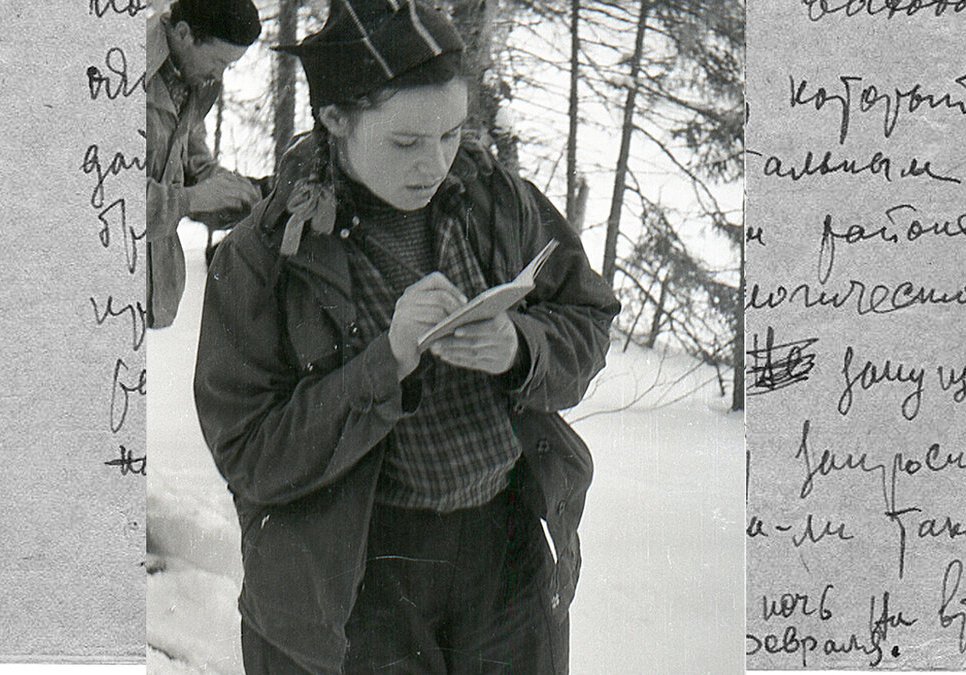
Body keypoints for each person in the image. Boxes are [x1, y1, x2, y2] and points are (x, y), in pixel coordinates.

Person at [193, 1, 620, 672]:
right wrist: (385, 362)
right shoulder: (261, 260)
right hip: (355, 578)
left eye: (451, 134)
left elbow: (590, 318)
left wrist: (522, 348)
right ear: (335, 119)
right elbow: (251, 454)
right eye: (406, 143)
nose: (436, 163)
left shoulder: (495, 199)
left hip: (505, 557)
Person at [146, 0, 264, 329]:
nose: (219, 75)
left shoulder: (198, 81)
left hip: (153, 291)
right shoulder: (119, 70)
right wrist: (195, 198)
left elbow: (191, 165)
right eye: (218, 61)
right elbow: (108, 206)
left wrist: (237, 195)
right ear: (183, 33)